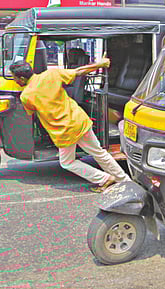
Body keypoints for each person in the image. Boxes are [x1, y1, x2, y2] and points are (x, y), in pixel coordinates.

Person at [9, 58, 131, 192]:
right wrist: (100, 64)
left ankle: (103, 179)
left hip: (64, 131)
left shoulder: (26, 96)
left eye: (14, 78)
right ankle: (124, 180)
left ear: (21, 79)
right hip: (79, 121)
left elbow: (31, 113)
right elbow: (79, 71)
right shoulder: (51, 74)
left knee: (67, 163)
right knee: (99, 153)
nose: (14, 81)